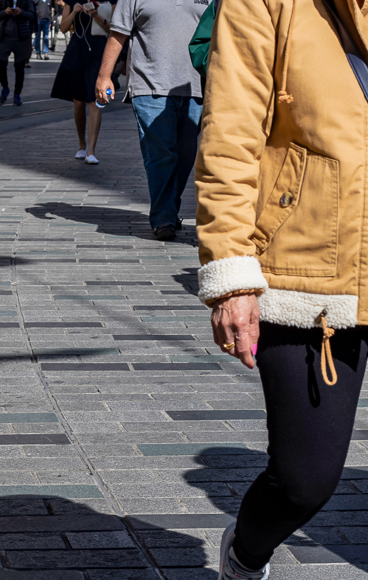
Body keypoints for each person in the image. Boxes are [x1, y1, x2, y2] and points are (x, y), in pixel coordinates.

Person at [195, 0, 368, 578]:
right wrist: (231, 276)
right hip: (311, 272)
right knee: (304, 480)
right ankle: (245, 554)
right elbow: (231, 136)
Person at [95, 0, 204, 241]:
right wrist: (104, 76)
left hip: (196, 86)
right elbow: (117, 34)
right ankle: (163, 217)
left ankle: (169, 209)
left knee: (185, 155)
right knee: (161, 151)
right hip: (149, 85)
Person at [51, 0, 109, 162]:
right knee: (78, 101)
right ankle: (81, 144)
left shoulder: (109, 1)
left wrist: (95, 15)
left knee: (94, 99)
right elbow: (63, 28)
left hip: (98, 51)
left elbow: (112, 29)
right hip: (77, 50)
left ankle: (91, 150)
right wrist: (75, 12)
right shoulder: (73, 0)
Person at [0, 0, 34, 106]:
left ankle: (17, 94)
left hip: (21, 38)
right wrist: (5, 12)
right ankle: (5, 87)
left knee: (19, 68)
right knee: (0, 65)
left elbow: (32, 15)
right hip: (4, 37)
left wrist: (21, 12)